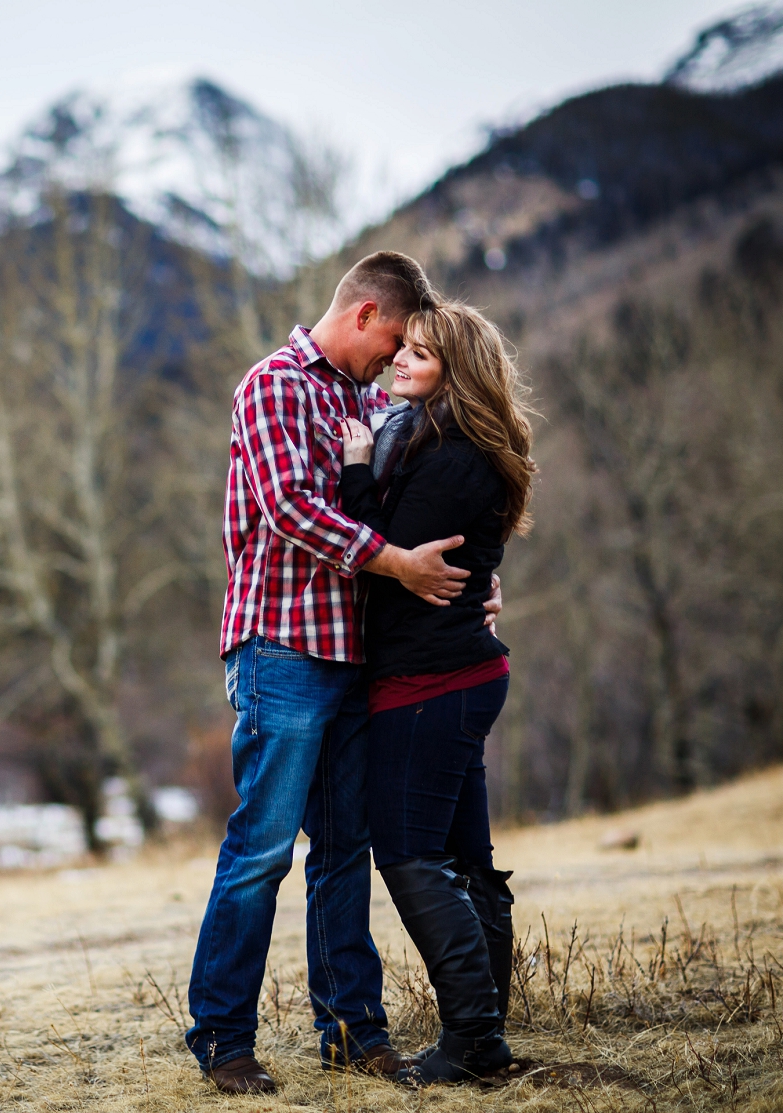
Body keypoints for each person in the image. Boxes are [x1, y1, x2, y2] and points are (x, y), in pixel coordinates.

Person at [187, 252, 498, 1095]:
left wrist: (473, 582)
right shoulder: (274, 383)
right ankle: (221, 1039)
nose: (396, 361)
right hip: (281, 648)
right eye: (394, 340)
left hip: (356, 655)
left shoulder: (366, 400)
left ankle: (353, 1031)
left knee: (343, 851)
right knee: (261, 851)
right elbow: (291, 507)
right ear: (365, 315)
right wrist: (396, 562)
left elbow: (410, 508)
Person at [337, 301, 537, 1085]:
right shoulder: (453, 445)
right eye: (402, 348)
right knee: (466, 859)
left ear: (457, 368)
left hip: (430, 682)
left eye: (421, 352)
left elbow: (388, 557)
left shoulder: (449, 454)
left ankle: (476, 1042)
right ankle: (486, 1025)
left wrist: (356, 471)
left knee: (413, 855)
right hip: (457, 674)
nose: (401, 361)